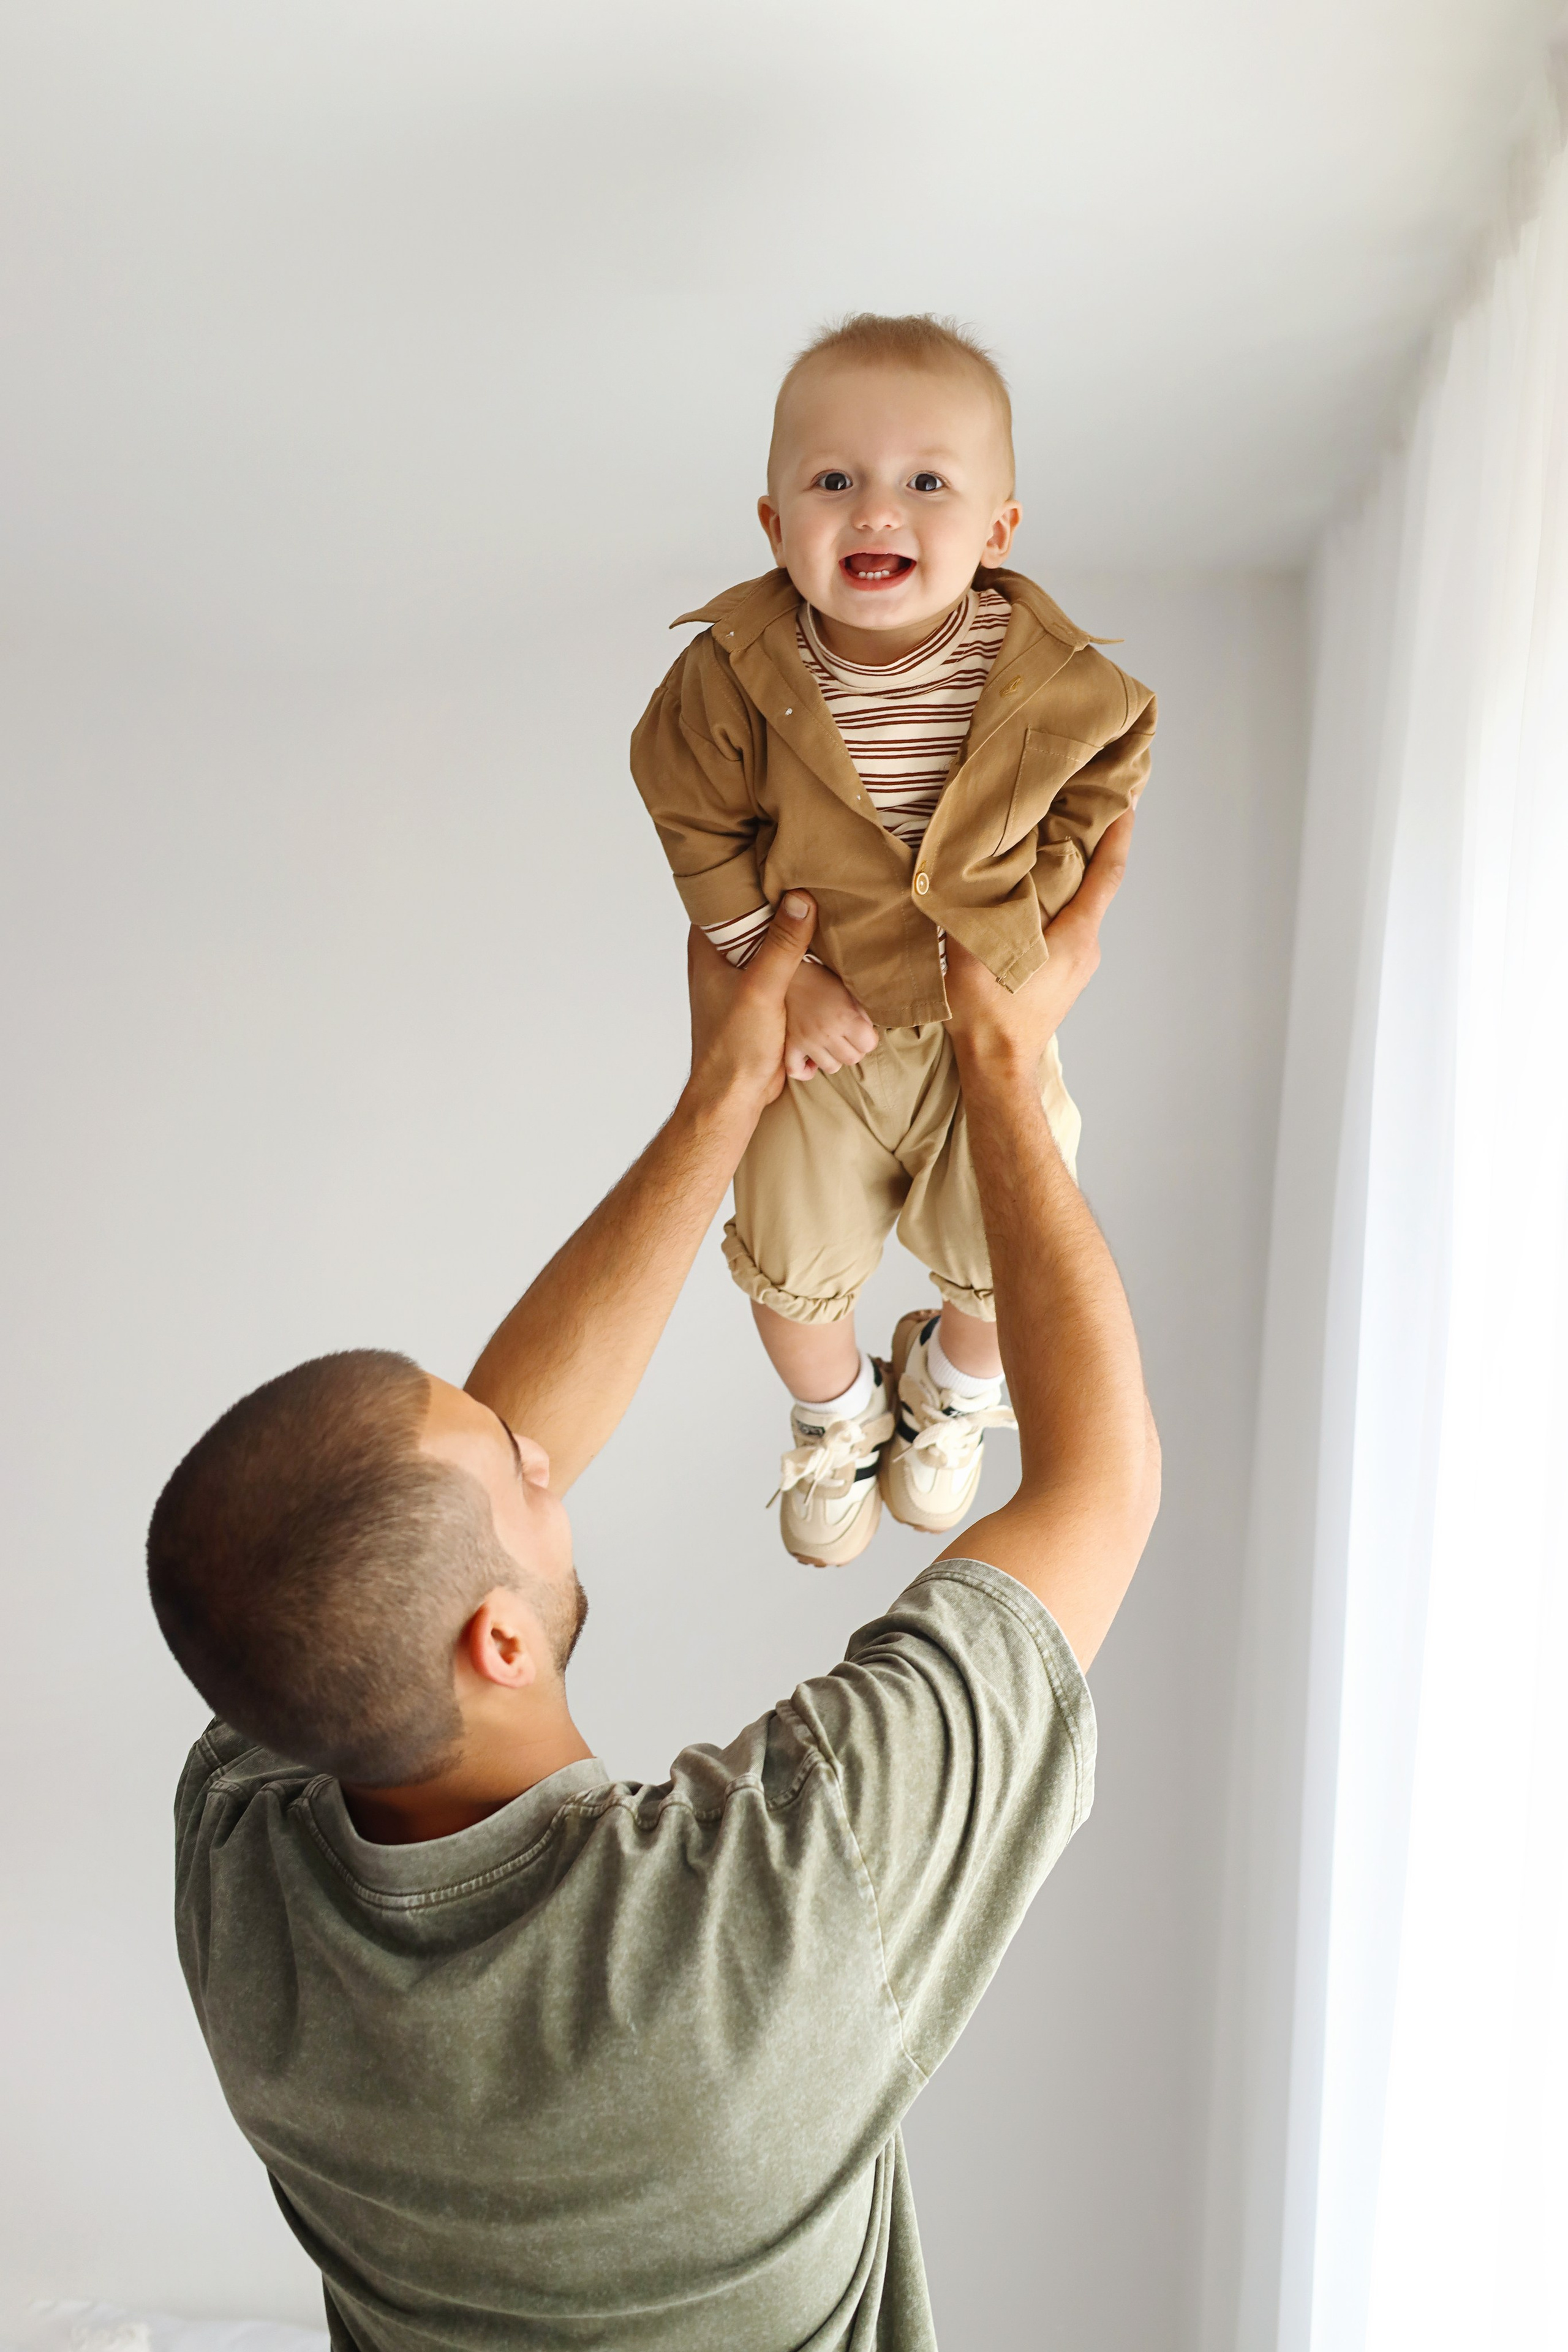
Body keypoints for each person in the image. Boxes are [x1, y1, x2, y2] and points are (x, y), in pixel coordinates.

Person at [150, 821, 1157, 2352]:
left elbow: (429, 1523)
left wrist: (726, 1095)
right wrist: (1007, 1068)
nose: (547, 1459)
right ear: (494, 1640)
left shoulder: (249, 1892)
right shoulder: (768, 1919)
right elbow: (1096, 1489)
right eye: (522, 1475)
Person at [631, 311, 1156, 1564]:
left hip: (989, 1030)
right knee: (786, 1263)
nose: (877, 513)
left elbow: (1104, 778)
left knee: (1005, 1260)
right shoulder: (736, 674)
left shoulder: (1047, 676)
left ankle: (952, 1393)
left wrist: (1038, 923)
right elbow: (687, 809)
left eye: (926, 482)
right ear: (772, 524)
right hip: (827, 1031)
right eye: (832, 483)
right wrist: (777, 958)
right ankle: (832, 1414)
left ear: (996, 528)